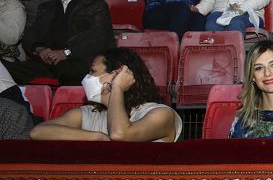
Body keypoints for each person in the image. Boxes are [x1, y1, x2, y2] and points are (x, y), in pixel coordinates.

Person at [30, 47, 181, 141]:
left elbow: (120, 135)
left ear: (117, 74)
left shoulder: (161, 113)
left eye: (93, 71)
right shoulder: (88, 114)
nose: (87, 77)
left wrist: (117, 88)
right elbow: (38, 132)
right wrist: (96, 137)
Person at [5, 0, 112, 85]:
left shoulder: (96, 6)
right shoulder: (46, 7)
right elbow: (31, 33)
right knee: (4, 69)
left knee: (76, 72)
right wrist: (40, 49)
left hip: (77, 62)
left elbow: (98, 36)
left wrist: (66, 53)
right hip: (47, 64)